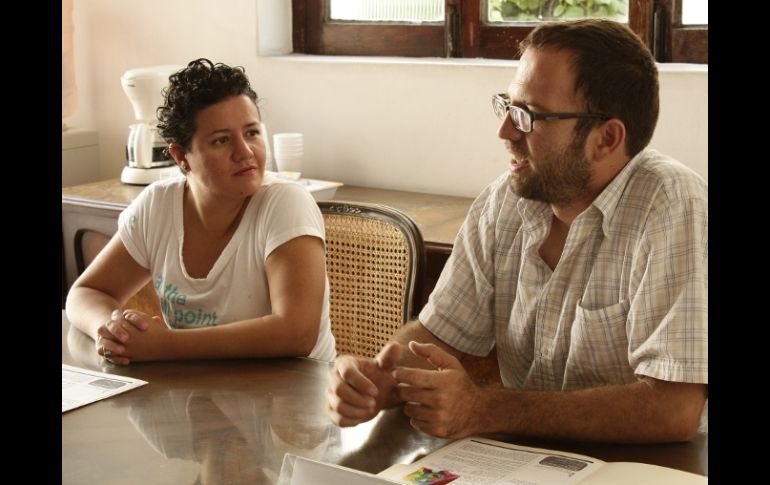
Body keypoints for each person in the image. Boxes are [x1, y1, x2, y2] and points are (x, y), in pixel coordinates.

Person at [327, 19, 707, 443]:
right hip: (525, 463)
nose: (504, 130)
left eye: (528, 116)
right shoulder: (504, 200)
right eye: (507, 106)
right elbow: (439, 334)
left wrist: (482, 408)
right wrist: (379, 377)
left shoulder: (672, 204)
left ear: (606, 138)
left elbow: (672, 409)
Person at [65, 58, 336, 364]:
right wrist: (112, 328)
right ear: (181, 157)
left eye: (251, 133)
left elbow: (296, 333)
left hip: (293, 402)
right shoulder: (158, 206)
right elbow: (85, 292)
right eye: (222, 140)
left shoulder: (286, 203)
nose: (245, 152)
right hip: (194, 397)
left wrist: (167, 346)